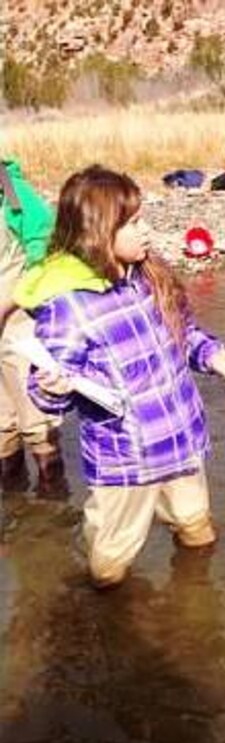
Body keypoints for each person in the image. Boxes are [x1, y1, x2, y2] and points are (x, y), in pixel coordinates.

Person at [13, 165, 225, 588]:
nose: (146, 231)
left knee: (198, 533)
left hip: (179, 441)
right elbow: (48, 389)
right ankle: (108, 629)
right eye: (133, 224)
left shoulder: (150, 276)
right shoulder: (69, 308)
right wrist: (51, 387)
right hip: (125, 460)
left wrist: (215, 358)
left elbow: (185, 332)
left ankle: (193, 605)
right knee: (108, 569)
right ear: (98, 232)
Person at [0, 159, 66, 497]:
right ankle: (17, 516)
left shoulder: (15, 195)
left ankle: (54, 522)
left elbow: (42, 262)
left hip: (19, 325)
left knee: (39, 426)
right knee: (2, 430)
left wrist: (6, 305)